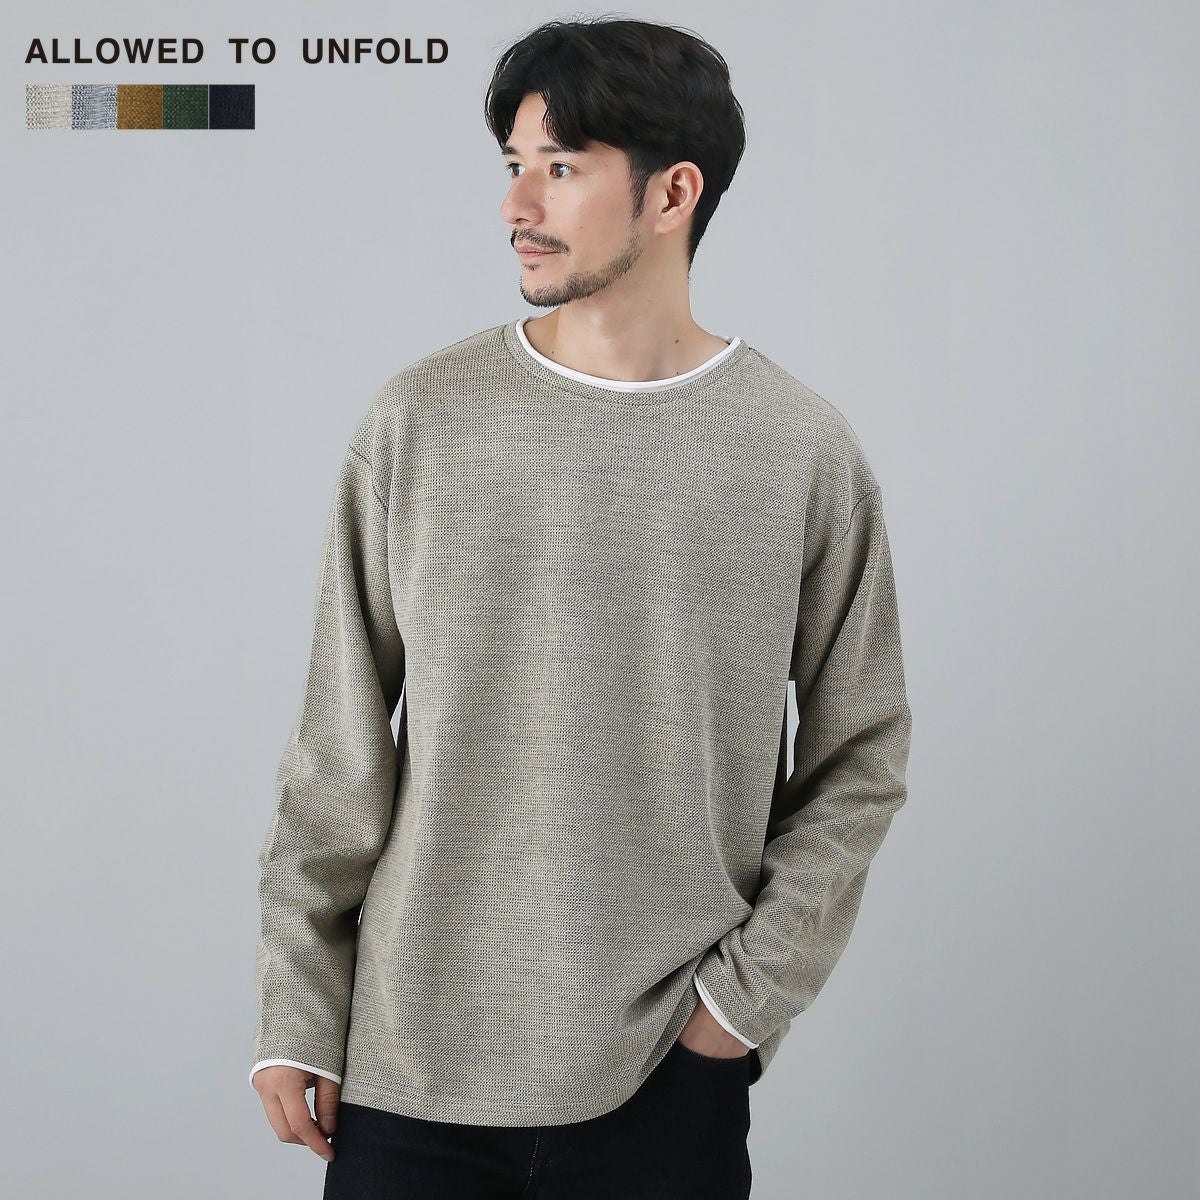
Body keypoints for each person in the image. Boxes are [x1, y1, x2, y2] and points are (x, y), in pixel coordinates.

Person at [250, 16, 913, 1199]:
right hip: (410, 1077)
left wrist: (733, 1013)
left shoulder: (800, 452)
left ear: (673, 193)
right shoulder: (421, 422)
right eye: (515, 165)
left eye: (560, 167)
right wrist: (299, 1007)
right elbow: (336, 748)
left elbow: (860, 760)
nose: (517, 203)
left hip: (664, 1079)